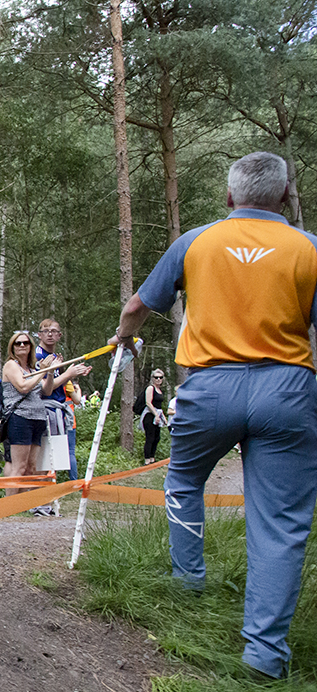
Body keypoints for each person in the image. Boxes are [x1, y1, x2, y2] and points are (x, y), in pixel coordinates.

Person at [111, 151, 317, 681]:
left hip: (209, 387)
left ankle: (187, 585)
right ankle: (264, 655)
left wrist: (126, 339)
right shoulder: (309, 248)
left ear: (229, 197)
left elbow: (136, 307)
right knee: (280, 524)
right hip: (288, 389)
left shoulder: (196, 242)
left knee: (182, 481)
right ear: (286, 196)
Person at [33, 319, 92, 503]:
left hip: (56, 410)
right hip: (43, 409)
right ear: (39, 334)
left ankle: (50, 496)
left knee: (54, 456)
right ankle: (41, 497)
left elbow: (63, 385)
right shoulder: (38, 356)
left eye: (54, 331)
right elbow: (45, 388)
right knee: (43, 456)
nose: (50, 334)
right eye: (46, 331)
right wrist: (68, 374)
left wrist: (73, 373)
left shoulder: (56, 358)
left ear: (59, 335)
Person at [0, 331, 55, 497]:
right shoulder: (11, 366)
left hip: (38, 419)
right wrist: (42, 372)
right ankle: (10, 505)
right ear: (13, 347)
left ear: (31, 346)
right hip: (20, 418)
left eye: (25, 343)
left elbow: (47, 390)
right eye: (18, 343)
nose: (22, 345)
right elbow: (22, 387)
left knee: (32, 467)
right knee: (19, 466)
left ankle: (25, 505)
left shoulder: (32, 369)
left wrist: (50, 371)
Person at [141, 369, 167, 465]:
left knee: (157, 437)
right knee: (150, 437)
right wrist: (155, 414)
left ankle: (152, 458)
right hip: (149, 415)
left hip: (158, 416)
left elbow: (159, 406)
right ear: (153, 378)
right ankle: (147, 459)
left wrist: (163, 418)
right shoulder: (150, 388)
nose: (158, 379)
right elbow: (148, 402)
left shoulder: (160, 390)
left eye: (160, 377)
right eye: (156, 377)